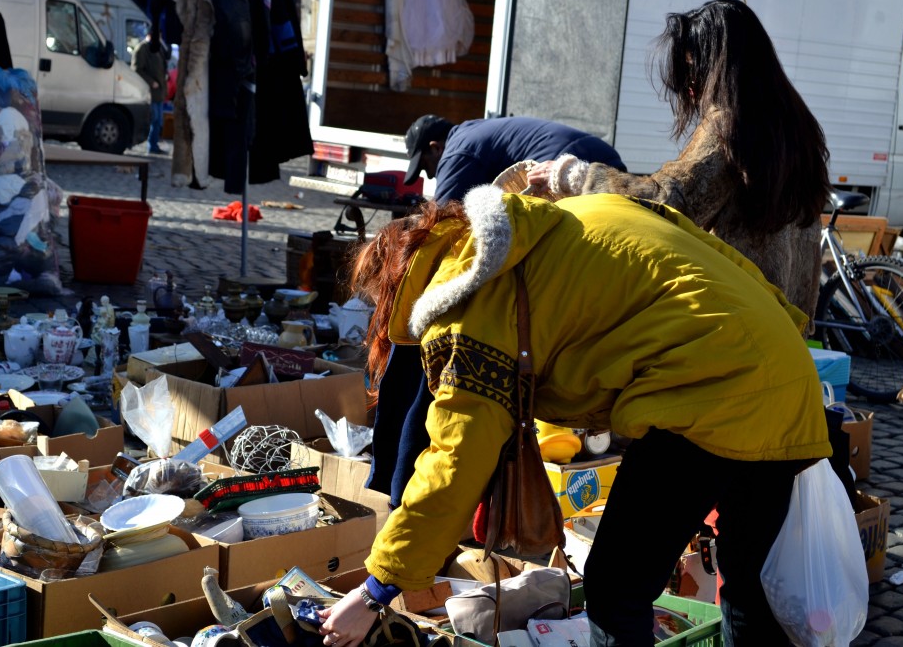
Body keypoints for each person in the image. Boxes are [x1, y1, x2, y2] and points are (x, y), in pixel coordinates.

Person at [316, 188, 832, 646]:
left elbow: (453, 463)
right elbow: (708, 253)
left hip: (711, 392)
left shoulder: (467, 304)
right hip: (788, 373)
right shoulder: (567, 216)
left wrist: (374, 592)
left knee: (615, 591)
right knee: (746, 585)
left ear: (399, 287)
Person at [526, 0, 831, 323]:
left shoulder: (730, 124)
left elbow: (669, 200)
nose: (690, 89)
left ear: (717, 66)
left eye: (691, 71)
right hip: (784, 326)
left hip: (734, 321)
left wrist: (574, 175)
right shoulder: (798, 125)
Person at [404, 115, 626, 205]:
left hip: (564, 164)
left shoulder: (456, 151)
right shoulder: (471, 130)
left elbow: (438, 221)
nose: (431, 175)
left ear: (435, 148)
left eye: (425, 167)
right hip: (602, 157)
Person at [132, 33, 169, 154]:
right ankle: (151, 145)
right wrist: (151, 82)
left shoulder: (158, 48)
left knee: (158, 120)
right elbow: (137, 69)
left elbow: (162, 65)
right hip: (150, 91)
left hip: (159, 91)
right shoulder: (143, 48)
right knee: (154, 119)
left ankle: (154, 144)